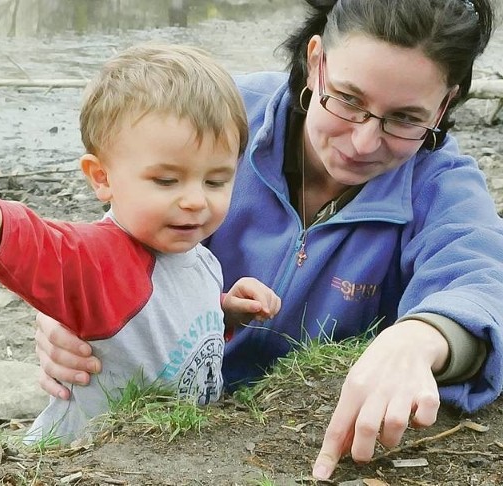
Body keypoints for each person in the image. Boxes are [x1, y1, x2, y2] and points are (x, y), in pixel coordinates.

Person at [33, 0, 503, 479]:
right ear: (317, 60)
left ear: (444, 105)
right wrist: (68, 308)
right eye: (348, 99)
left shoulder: (441, 185)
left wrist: (421, 337)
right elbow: (120, 229)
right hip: (152, 406)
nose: (363, 142)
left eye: (405, 118)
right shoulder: (220, 117)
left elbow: (483, 280)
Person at [0, 44, 281, 444]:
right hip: (78, 455)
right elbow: (44, 248)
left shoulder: (201, 258)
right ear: (101, 177)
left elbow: (173, 319)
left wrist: (227, 312)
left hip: (163, 452)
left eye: (216, 181)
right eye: (166, 180)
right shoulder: (103, 259)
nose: (196, 199)